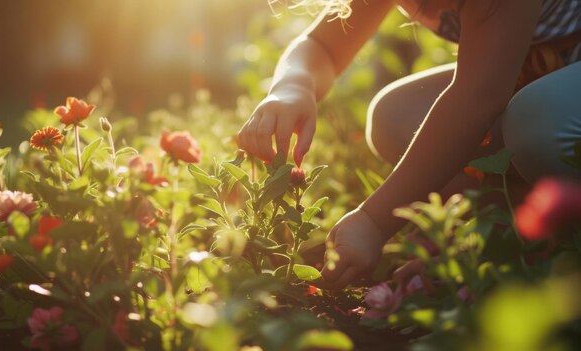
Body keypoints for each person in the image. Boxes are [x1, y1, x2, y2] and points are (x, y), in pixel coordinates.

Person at [236, 0, 581, 289]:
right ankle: (505, 227)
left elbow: (478, 98)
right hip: (538, 73)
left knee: (536, 125)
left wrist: (375, 220)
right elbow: (323, 46)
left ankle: (553, 234)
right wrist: (293, 88)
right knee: (395, 118)